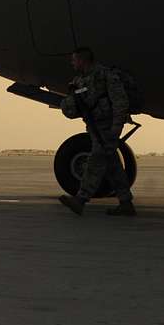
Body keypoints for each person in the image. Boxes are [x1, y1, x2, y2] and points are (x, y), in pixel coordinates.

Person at [57, 46, 136, 217]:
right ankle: (126, 202)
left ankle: (80, 199)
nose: (72, 63)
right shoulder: (79, 81)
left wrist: (117, 127)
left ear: (83, 60)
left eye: (74, 59)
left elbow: (120, 102)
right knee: (112, 165)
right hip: (94, 127)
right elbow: (75, 104)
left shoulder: (105, 75)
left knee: (95, 160)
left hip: (107, 127)